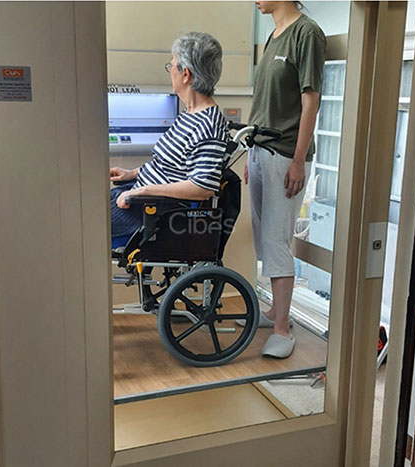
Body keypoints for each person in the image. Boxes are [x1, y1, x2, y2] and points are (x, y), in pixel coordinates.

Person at [246, 1, 326, 358]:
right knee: (264, 237)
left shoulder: (306, 33)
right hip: (260, 150)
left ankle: (283, 329)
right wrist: (251, 148)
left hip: (284, 154)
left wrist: (298, 160)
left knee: (278, 241)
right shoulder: (271, 36)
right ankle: (274, 312)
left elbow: (311, 103)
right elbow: (263, 100)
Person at [109, 32, 228, 242]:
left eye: (172, 65)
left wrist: (143, 190)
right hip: (141, 199)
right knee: (80, 205)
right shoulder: (189, 114)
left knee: (80, 221)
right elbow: (168, 166)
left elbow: (202, 187)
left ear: (185, 74)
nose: (170, 71)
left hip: (151, 211)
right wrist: (131, 174)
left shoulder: (208, 123)